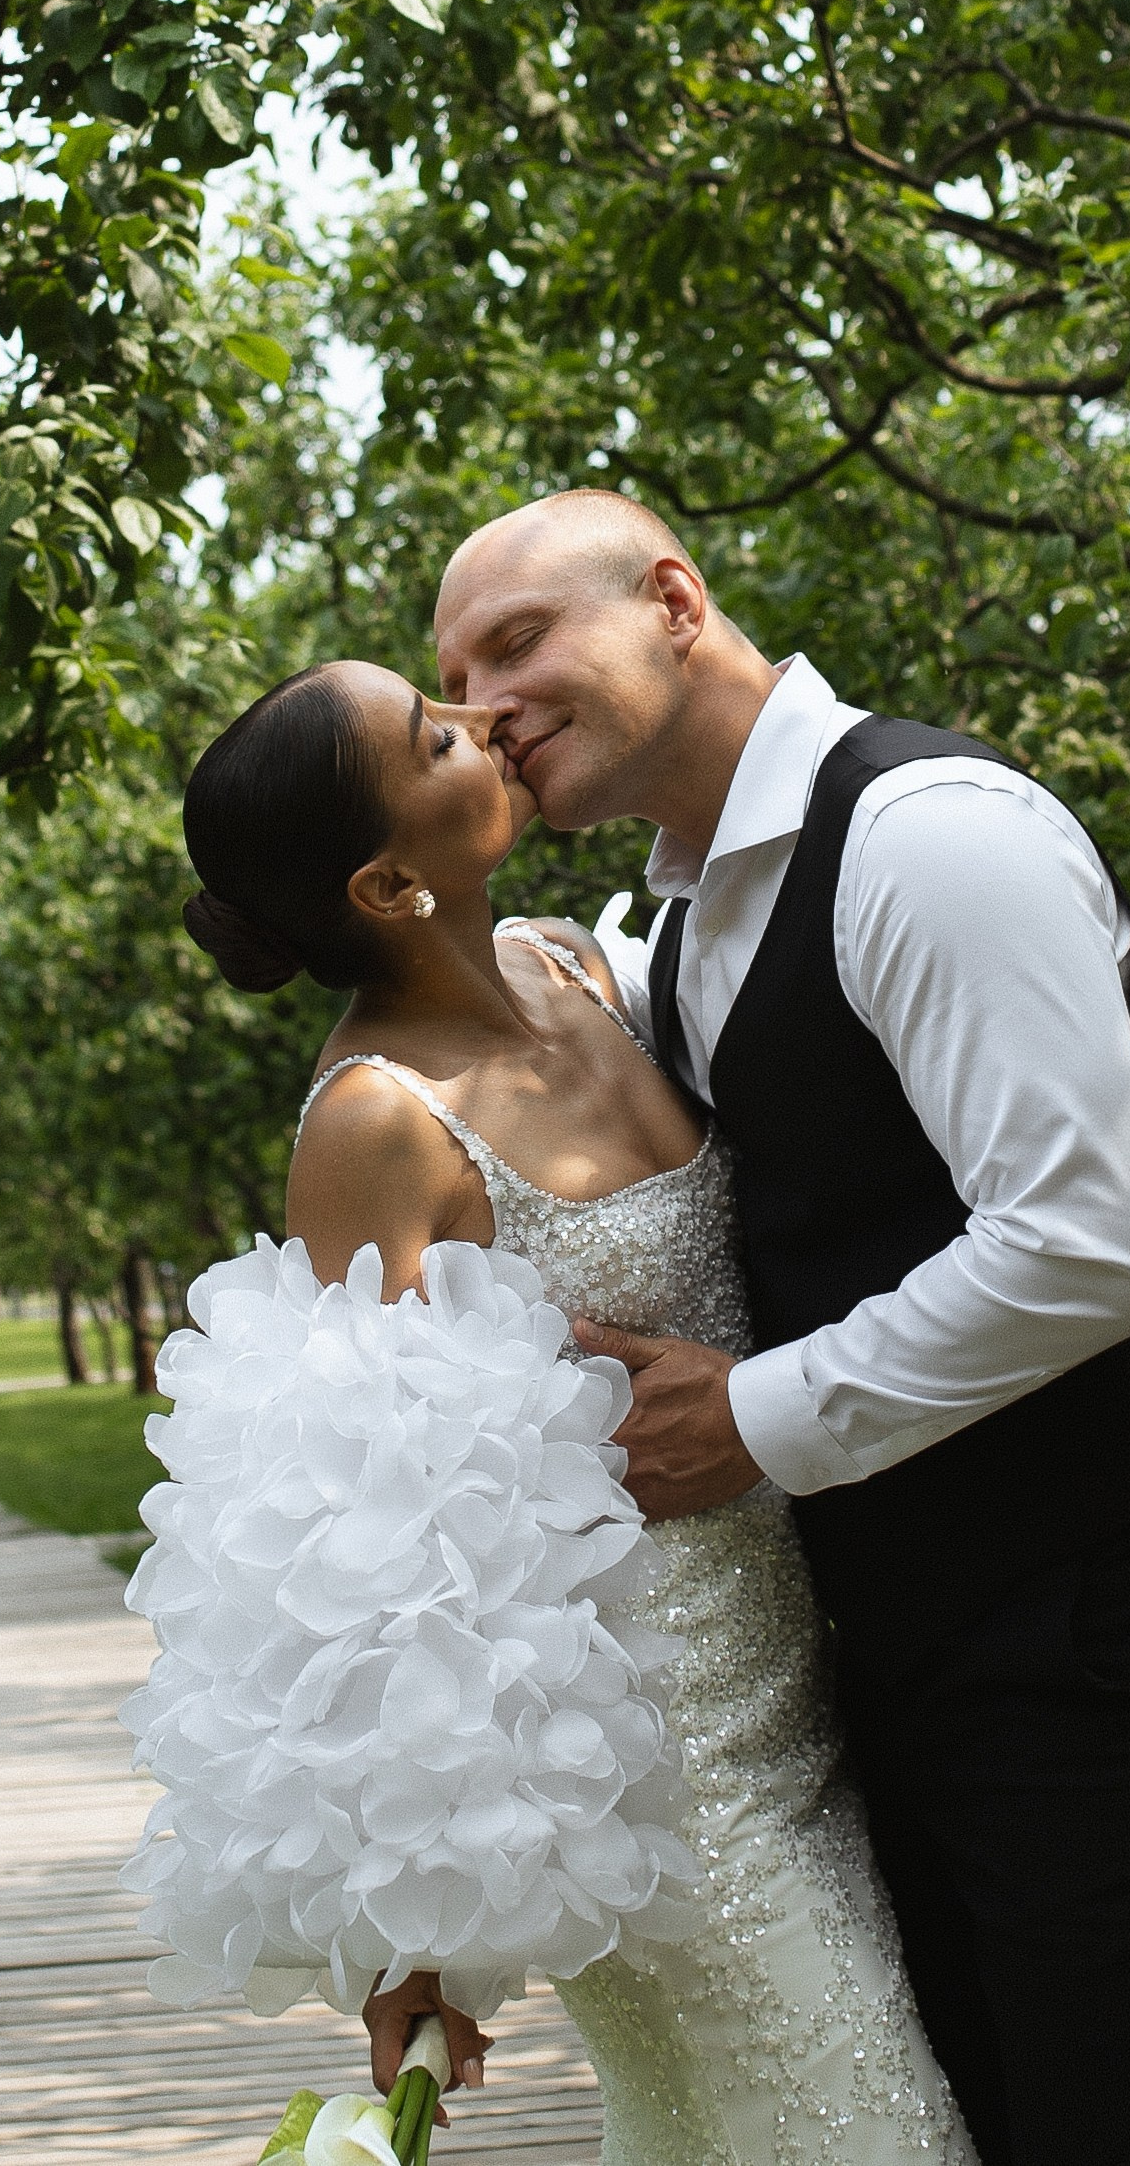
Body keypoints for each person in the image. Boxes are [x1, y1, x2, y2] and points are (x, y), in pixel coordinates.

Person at [432, 490, 1130, 2166]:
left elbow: (1091, 1245)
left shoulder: (929, 837)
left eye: (517, 640)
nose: (483, 706)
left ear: (673, 600)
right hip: (914, 1631)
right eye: (453, 679)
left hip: (1114, 1613)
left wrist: (752, 1419)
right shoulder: (682, 918)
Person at [179, 659, 976, 2166]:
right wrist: (409, 1938)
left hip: (815, 1666)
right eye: (434, 737)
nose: (486, 719)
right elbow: (369, 1549)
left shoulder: (578, 964)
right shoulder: (374, 1126)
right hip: (655, 1763)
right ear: (386, 882)